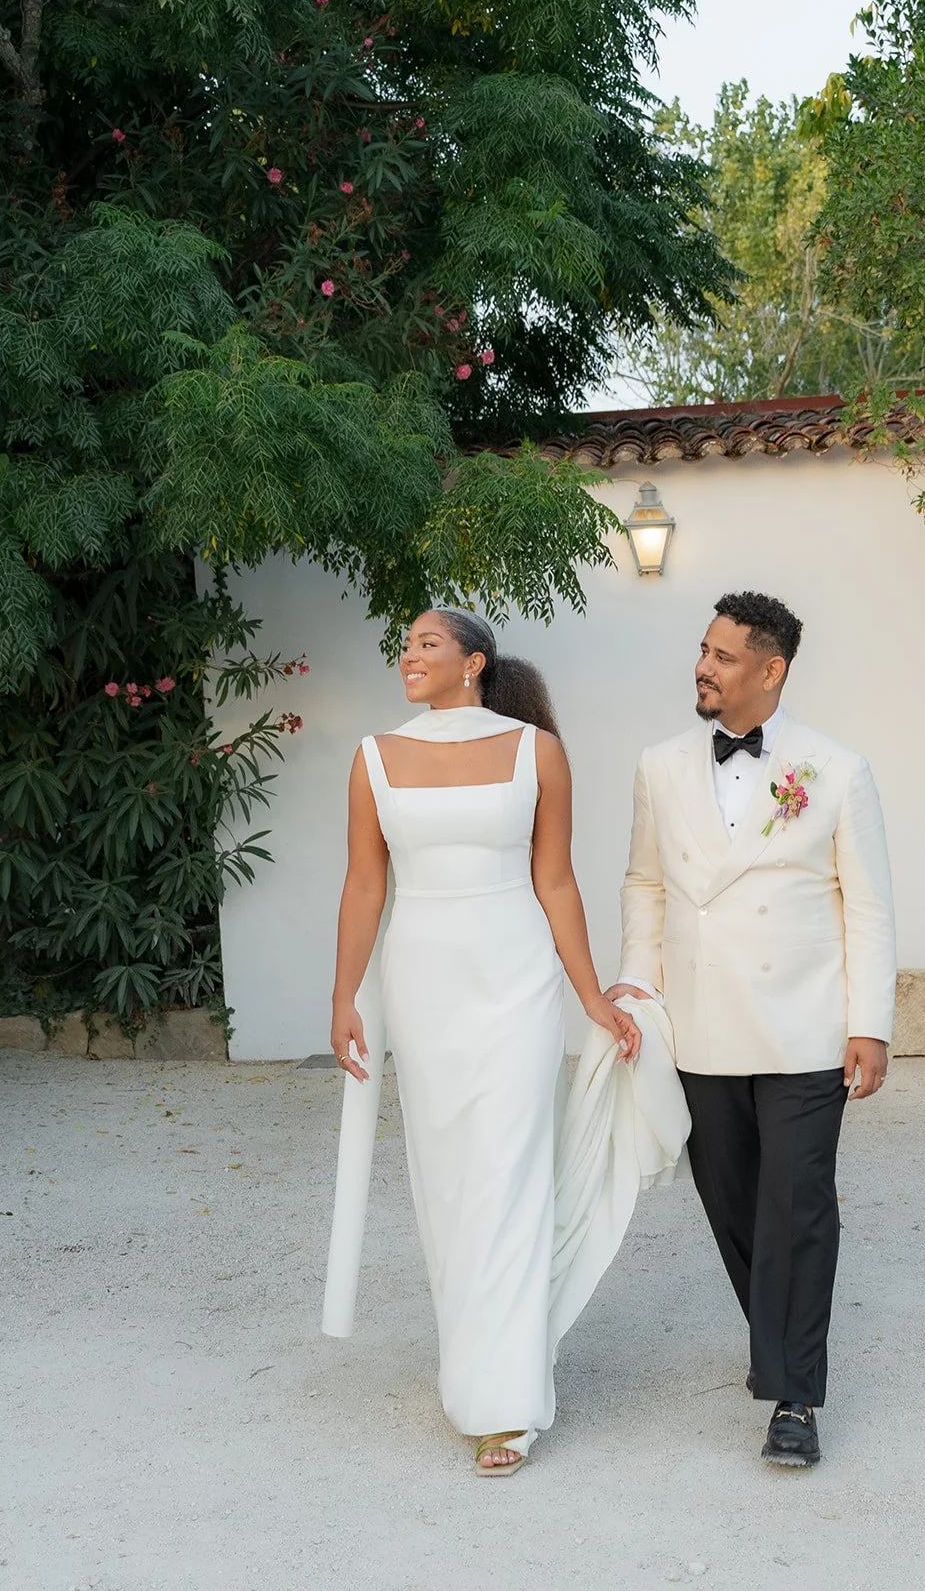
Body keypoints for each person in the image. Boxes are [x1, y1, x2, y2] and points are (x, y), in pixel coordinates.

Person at [329, 607, 641, 1476]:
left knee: (508, 1172)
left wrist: (590, 996)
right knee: (449, 1178)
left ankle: (505, 1402)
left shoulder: (535, 750)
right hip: (423, 978)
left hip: (517, 977)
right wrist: (344, 994)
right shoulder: (372, 757)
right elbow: (363, 885)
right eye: (403, 644)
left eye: (426, 642)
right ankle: (473, 1358)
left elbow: (555, 880)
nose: (408, 655)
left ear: (474, 662)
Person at [607, 590, 896, 1467]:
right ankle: (778, 1335)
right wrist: (633, 986)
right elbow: (644, 884)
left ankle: (794, 1396)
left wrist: (869, 1024)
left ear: (770, 671)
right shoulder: (657, 765)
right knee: (731, 1200)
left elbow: (868, 906)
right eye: (703, 650)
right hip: (698, 1022)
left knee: (798, 1206)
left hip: (805, 1026)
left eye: (724, 657)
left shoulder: (836, 769)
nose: (703, 666)